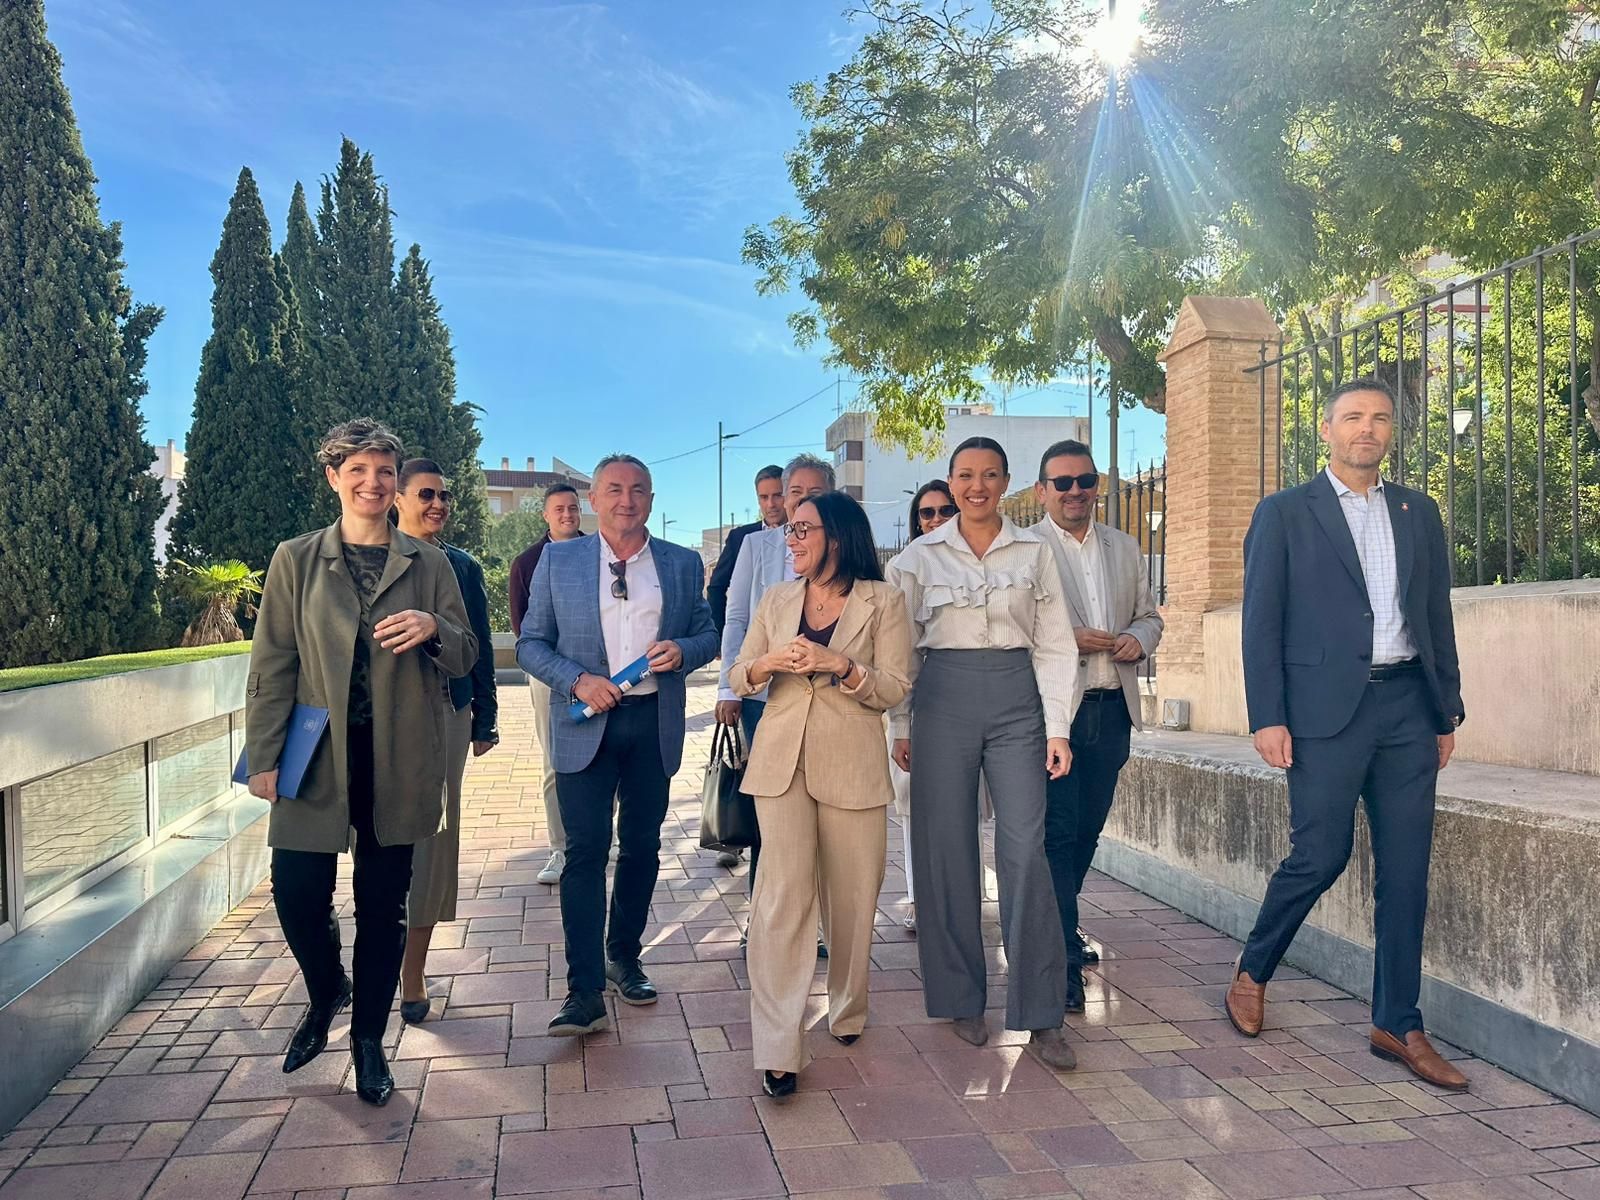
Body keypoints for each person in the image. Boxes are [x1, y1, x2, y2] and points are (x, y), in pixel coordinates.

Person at [1226, 378, 1468, 1091]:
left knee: (1406, 873)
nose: (1368, 429)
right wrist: (1267, 714)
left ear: (1392, 432)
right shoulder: (1284, 513)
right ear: (1326, 429)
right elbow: (1259, 622)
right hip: (1324, 714)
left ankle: (1398, 1020)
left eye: (1380, 419)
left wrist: (1445, 710)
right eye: (1354, 418)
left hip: (1406, 710)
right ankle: (1254, 968)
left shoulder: (1417, 512)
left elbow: (1436, 614)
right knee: (1320, 853)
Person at [245, 418, 477, 1106]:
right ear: (334, 478)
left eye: (384, 472)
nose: (372, 483)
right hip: (313, 753)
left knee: (384, 909)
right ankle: (326, 992)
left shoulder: (429, 564)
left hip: (401, 755)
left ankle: (369, 1041)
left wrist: (436, 629)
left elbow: (465, 654)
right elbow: (273, 662)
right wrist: (264, 757)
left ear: (395, 482)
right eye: (358, 471)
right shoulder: (294, 558)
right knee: (296, 894)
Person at [887, 436, 1080, 1069]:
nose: (977, 487)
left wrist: (1058, 728)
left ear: (1007, 482)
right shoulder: (915, 560)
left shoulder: (1034, 551)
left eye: (989, 475)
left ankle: (1042, 1010)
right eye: (965, 476)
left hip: (1017, 701)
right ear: (949, 482)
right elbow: (899, 651)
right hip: (941, 700)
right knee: (945, 848)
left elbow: (1054, 643)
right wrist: (900, 725)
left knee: (1025, 848)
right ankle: (958, 995)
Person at [517, 454, 719, 1036]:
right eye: (614, 489)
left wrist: (684, 650)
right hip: (583, 723)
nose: (626, 499)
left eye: (638, 490)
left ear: (651, 499)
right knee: (584, 853)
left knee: (641, 848)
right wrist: (576, 680)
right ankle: (583, 991)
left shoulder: (681, 565)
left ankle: (624, 958)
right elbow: (532, 644)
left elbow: (707, 633)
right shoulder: (558, 560)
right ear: (593, 500)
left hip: (652, 722)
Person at [731, 493, 913, 1098]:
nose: (791, 539)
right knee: (781, 898)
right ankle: (778, 1046)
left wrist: (841, 665)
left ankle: (847, 1005)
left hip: (852, 762)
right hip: (780, 762)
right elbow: (738, 672)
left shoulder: (883, 600)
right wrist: (765, 666)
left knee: (853, 898)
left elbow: (894, 688)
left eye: (802, 529)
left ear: (836, 535)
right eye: (789, 529)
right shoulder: (777, 598)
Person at [1030, 440, 1163, 1014]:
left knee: (1087, 832)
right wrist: (1067, 638)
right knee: (1056, 834)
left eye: (1084, 480)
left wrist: (1140, 638)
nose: (1075, 491)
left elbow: (1152, 614)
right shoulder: (1024, 549)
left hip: (1113, 711)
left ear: (1097, 486)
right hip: (1055, 714)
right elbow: (1015, 629)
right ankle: (1057, 960)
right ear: (1042, 492)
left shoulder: (1125, 547)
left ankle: (1062, 926)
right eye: (1062, 483)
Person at [393, 458, 499, 1024]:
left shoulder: (461, 565)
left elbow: (477, 642)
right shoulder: (368, 562)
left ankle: (413, 971)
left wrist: (485, 718)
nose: (438, 505)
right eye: (426, 494)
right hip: (378, 720)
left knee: (434, 840)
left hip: (445, 715)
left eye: (445, 497)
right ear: (398, 499)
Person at [716, 454, 835, 955]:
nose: (801, 501)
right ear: (782, 498)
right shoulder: (755, 545)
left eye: (814, 492)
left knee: (827, 818)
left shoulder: (846, 549)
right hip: (769, 700)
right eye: (794, 492)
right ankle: (764, 920)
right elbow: (736, 616)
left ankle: (820, 926)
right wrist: (729, 689)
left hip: (831, 704)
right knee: (773, 819)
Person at [704, 463, 786, 868]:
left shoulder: (830, 539)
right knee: (760, 786)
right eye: (765, 497)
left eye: (779, 495)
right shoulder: (748, 541)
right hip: (758, 684)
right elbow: (726, 598)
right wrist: (730, 678)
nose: (773, 504)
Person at [509, 483, 588, 885]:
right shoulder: (527, 562)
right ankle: (560, 848)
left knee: (603, 752)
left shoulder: (602, 554)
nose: (567, 515)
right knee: (555, 760)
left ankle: (596, 835)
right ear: (545, 514)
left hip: (596, 675)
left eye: (573, 508)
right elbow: (523, 630)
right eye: (558, 509)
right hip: (546, 675)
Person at [890, 481, 957, 932]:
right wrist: (900, 723)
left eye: (943, 511)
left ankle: (964, 897)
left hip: (969, 699)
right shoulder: (903, 569)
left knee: (963, 804)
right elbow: (899, 650)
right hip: (916, 701)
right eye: (927, 513)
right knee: (914, 802)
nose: (935, 520)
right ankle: (917, 897)